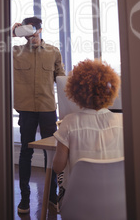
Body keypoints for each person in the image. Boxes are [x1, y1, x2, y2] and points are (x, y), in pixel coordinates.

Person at [0, 16, 65, 214]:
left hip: (48, 108)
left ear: (40, 30)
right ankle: (24, 198)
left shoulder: (53, 52)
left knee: (51, 152)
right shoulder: (15, 51)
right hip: (26, 109)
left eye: (33, 31)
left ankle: (52, 195)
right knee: (25, 152)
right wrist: (8, 34)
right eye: (26, 32)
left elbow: (62, 80)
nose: (31, 36)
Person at [52, 59, 124, 205]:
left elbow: (57, 167)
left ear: (76, 92)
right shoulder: (122, 122)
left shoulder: (69, 123)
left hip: (79, 203)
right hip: (117, 201)